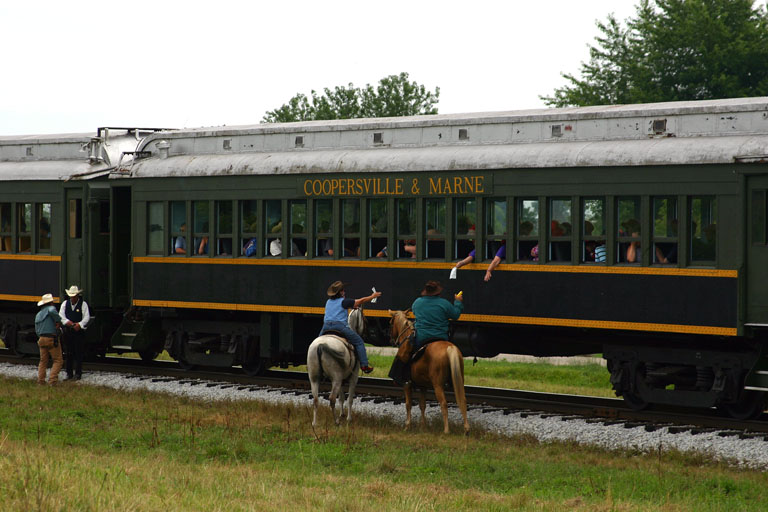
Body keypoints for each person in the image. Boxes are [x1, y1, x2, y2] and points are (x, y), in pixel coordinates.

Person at [319, 280, 381, 373]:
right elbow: (361, 301)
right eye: (343, 290)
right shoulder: (344, 301)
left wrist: (351, 307)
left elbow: (337, 309)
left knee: (317, 343)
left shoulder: (328, 302)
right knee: (359, 341)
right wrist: (372, 296)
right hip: (339, 326)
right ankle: (364, 365)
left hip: (326, 327)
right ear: (340, 292)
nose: (344, 292)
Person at [411, 280, 463, 349]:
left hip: (421, 338)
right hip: (440, 337)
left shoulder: (417, 302)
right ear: (438, 292)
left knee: (409, 354)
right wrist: (458, 302)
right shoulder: (444, 303)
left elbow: (415, 313)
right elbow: (455, 315)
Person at [59, 285, 91, 380]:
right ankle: (69, 373)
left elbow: (87, 317)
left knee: (78, 353)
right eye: (71, 296)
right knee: (69, 353)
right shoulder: (65, 304)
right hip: (68, 331)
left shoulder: (83, 304)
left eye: (74, 296)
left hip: (78, 332)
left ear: (77, 296)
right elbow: (61, 316)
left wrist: (80, 325)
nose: (72, 298)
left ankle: (78, 373)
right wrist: (67, 322)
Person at [34, 293, 63, 386]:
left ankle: (41, 381)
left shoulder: (38, 314)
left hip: (41, 338)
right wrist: (58, 321)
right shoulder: (51, 309)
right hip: (51, 338)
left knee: (43, 361)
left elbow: (37, 330)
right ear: (50, 302)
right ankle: (52, 381)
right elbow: (53, 312)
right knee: (58, 360)